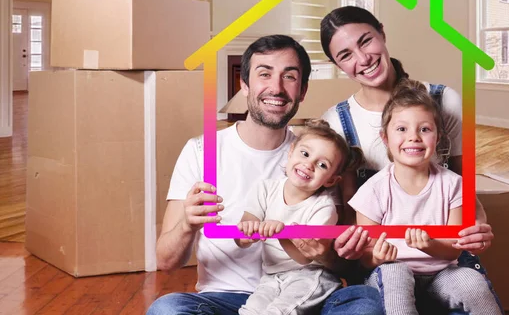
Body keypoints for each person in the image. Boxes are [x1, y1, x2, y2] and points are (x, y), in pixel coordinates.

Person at [146, 35, 383, 315]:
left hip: (306, 296)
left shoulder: (320, 159)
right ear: (244, 84)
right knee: (167, 309)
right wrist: (187, 224)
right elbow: (166, 260)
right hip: (228, 300)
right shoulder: (201, 151)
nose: (276, 87)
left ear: (303, 90)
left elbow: (346, 265)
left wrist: (325, 255)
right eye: (265, 74)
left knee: (365, 302)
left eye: (289, 76)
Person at [319, 5, 494, 252]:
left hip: (443, 251)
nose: (363, 59)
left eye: (366, 41)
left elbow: (463, 187)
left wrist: (477, 225)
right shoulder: (336, 122)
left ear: (382, 33)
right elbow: (346, 211)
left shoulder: (444, 101)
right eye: (346, 55)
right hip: (380, 257)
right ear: (337, 64)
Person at [348, 79, 503, 315]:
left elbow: (453, 250)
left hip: (441, 272)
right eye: (401, 129)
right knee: (394, 273)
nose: (414, 137)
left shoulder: (453, 184)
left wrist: (430, 245)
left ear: (438, 137)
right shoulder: (372, 190)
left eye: (425, 129)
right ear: (386, 138)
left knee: (472, 282)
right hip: (391, 272)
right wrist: (376, 258)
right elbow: (364, 257)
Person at [235, 119, 364, 315]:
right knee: (249, 311)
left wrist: (281, 233)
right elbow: (241, 236)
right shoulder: (265, 189)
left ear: (331, 180)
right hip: (271, 276)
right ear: (291, 151)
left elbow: (304, 257)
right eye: (304, 154)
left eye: (322, 164)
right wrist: (249, 232)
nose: (308, 164)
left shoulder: (324, 208)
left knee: (279, 312)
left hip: (311, 275)